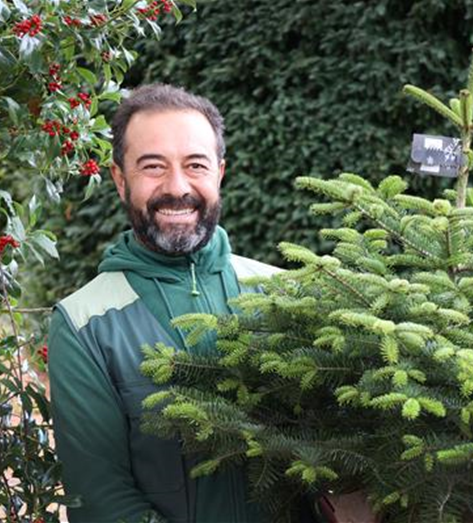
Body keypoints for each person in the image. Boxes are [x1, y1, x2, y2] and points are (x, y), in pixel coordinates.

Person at [48, 84, 318, 523]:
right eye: (153, 166)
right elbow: (102, 500)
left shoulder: (285, 295)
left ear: (219, 173)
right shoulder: (84, 325)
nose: (177, 187)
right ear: (120, 179)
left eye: (195, 165)